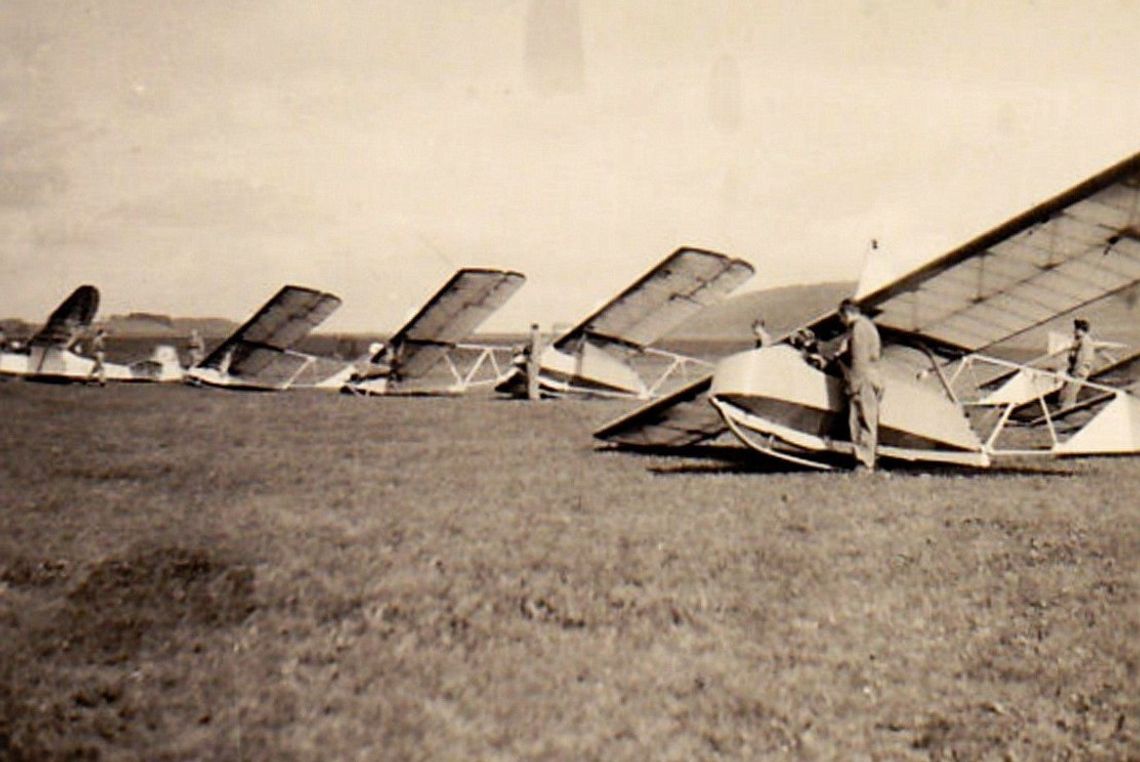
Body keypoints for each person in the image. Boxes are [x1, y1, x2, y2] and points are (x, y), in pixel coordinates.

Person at [834, 299, 883, 471]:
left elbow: (858, 359)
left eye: (841, 317)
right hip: (871, 378)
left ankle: (865, 461)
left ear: (846, 313)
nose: (842, 321)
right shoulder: (867, 326)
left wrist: (853, 386)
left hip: (863, 380)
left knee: (861, 420)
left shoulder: (859, 329)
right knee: (867, 419)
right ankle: (868, 458)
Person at [1058, 318, 1105, 408]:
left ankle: (1065, 410)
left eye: (1077, 329)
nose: (1074, 331)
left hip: (1078, 373)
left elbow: (1081, 359)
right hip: (1075, 371)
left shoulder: (1085, 342)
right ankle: (1064, 408)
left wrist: (1073, 374)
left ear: (1082, 330)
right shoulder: (1080, 341)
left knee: (1069, 395)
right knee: (1065, 394)